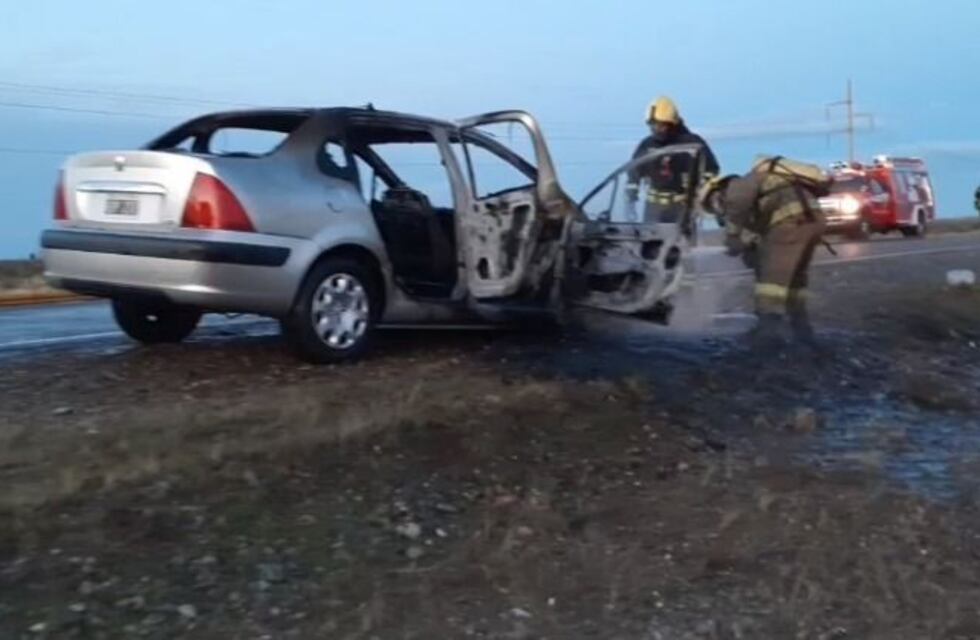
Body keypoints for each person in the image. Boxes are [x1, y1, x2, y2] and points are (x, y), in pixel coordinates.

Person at [699, 156, 829, 348]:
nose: (719, 210)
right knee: (794, 281)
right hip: (812, 221)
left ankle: (768, 334)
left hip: (791, 222)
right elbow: (758, 238)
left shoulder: (737, 185)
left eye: (714, 205)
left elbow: (737, 203)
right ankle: (801, 330)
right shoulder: (763, 188)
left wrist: (733, 236)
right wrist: (748, 250)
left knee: (770, 284)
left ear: (717, 191)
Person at [625, 96, 719, 224]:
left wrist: (698, 190)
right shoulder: (647, 145)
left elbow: (711, 170)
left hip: (682, 207)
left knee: (682, 243)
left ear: (672, 124)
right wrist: (630, 198)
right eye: (652, 125)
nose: (656, 130)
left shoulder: (692, 143)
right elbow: (634, 171)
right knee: (650, 242)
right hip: (653, 209)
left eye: (660, 126)